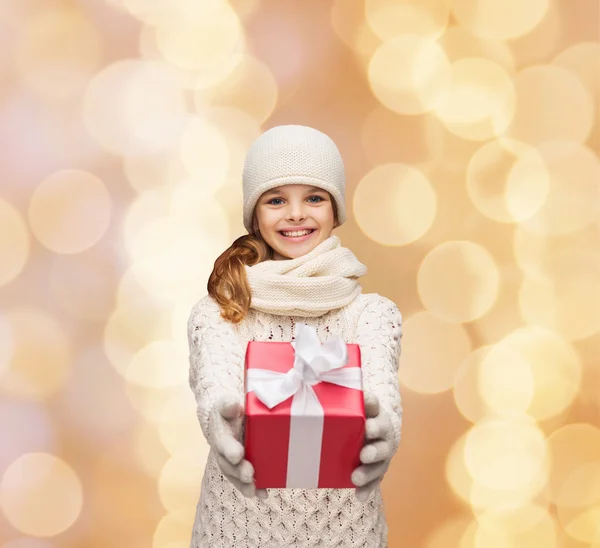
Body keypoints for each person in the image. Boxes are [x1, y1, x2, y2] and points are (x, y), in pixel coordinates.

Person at [187, 124, 403, 547]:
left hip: (346, 535)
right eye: (276, 199)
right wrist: (219, 418)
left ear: (336, 209)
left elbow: (383, 393)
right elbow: (215, 384)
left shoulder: (373, 315)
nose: (296, 214)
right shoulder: (218, 313)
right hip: (236, 533)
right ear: (254, 214)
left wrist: (386, 429)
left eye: (314, 198)